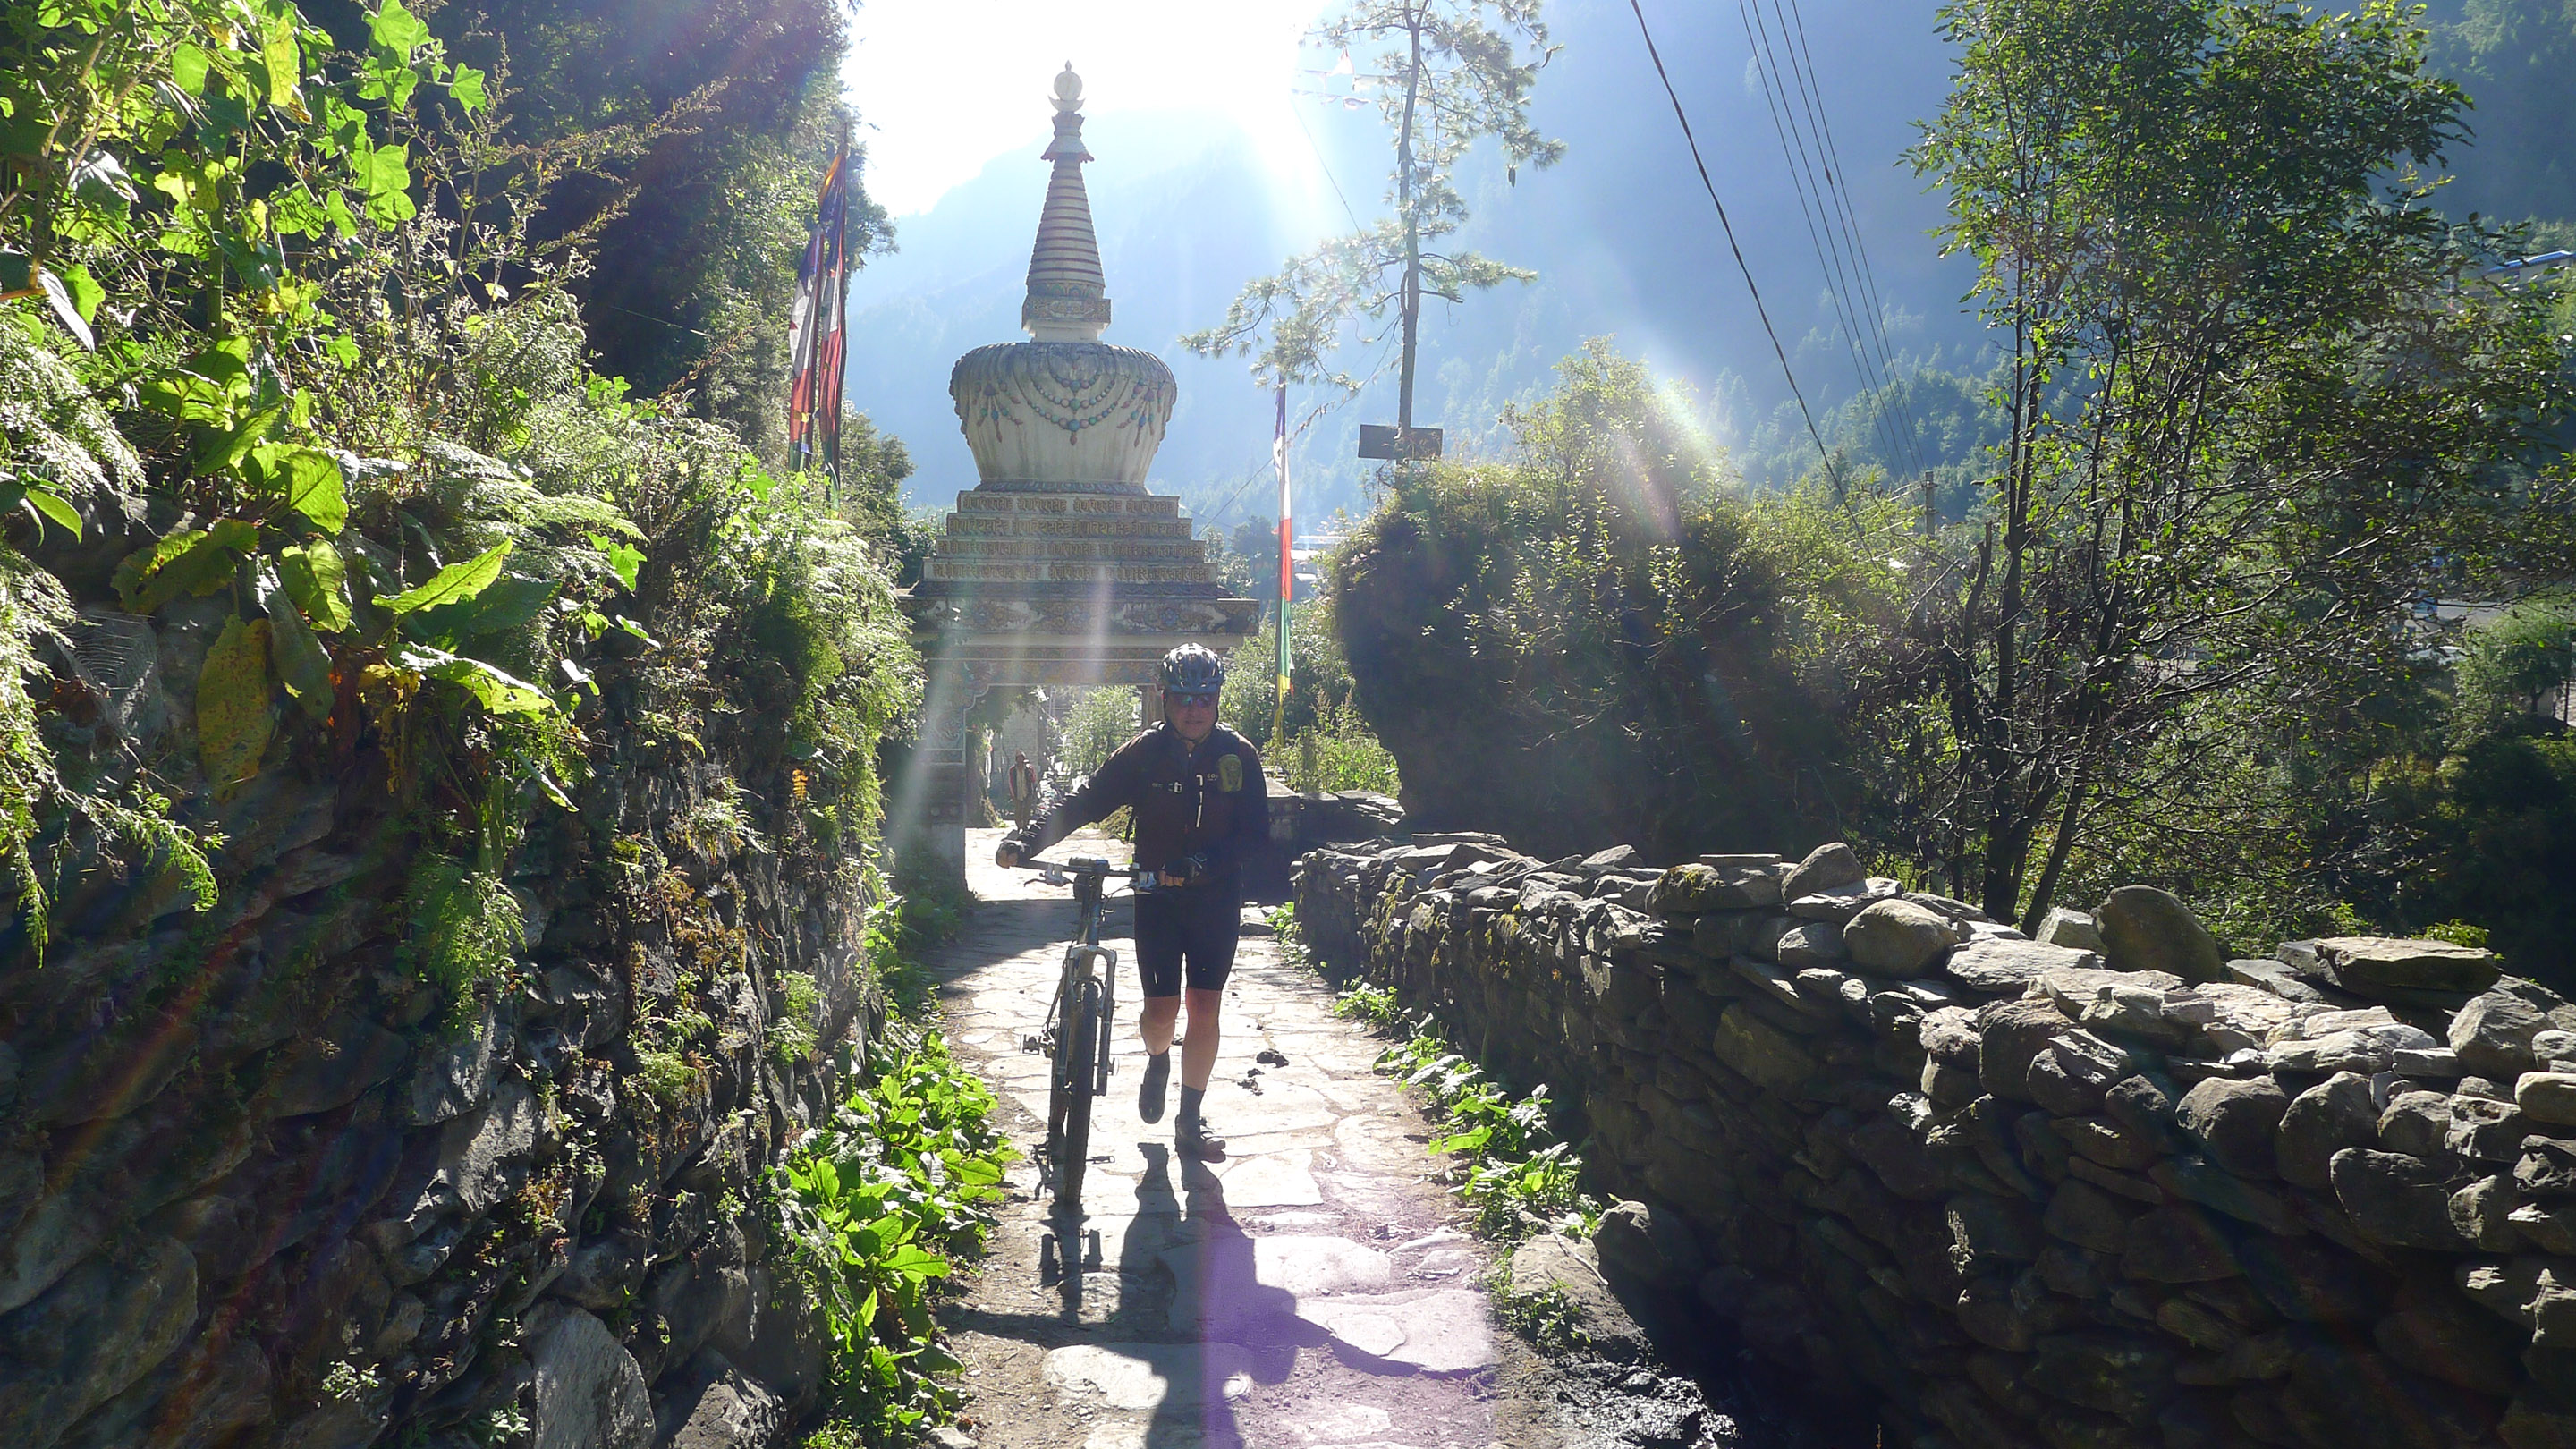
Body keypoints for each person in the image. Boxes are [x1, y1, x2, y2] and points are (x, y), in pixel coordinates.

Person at [996, 644, 1267, 1162]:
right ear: (1164, 699)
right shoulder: (1143, 753)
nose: (1195, 708)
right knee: (1160, 1014)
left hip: (1214, 899)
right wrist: (1027, 841)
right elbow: (1084, 801)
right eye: (1184, 697)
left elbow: (1254, 837)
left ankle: (1190, 1119)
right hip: (1156, 899)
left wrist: (1200, 866)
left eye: (1205, 698)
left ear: (1217, 700)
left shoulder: (1238, 756)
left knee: (1204, 1006)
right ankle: (1158, 1058)